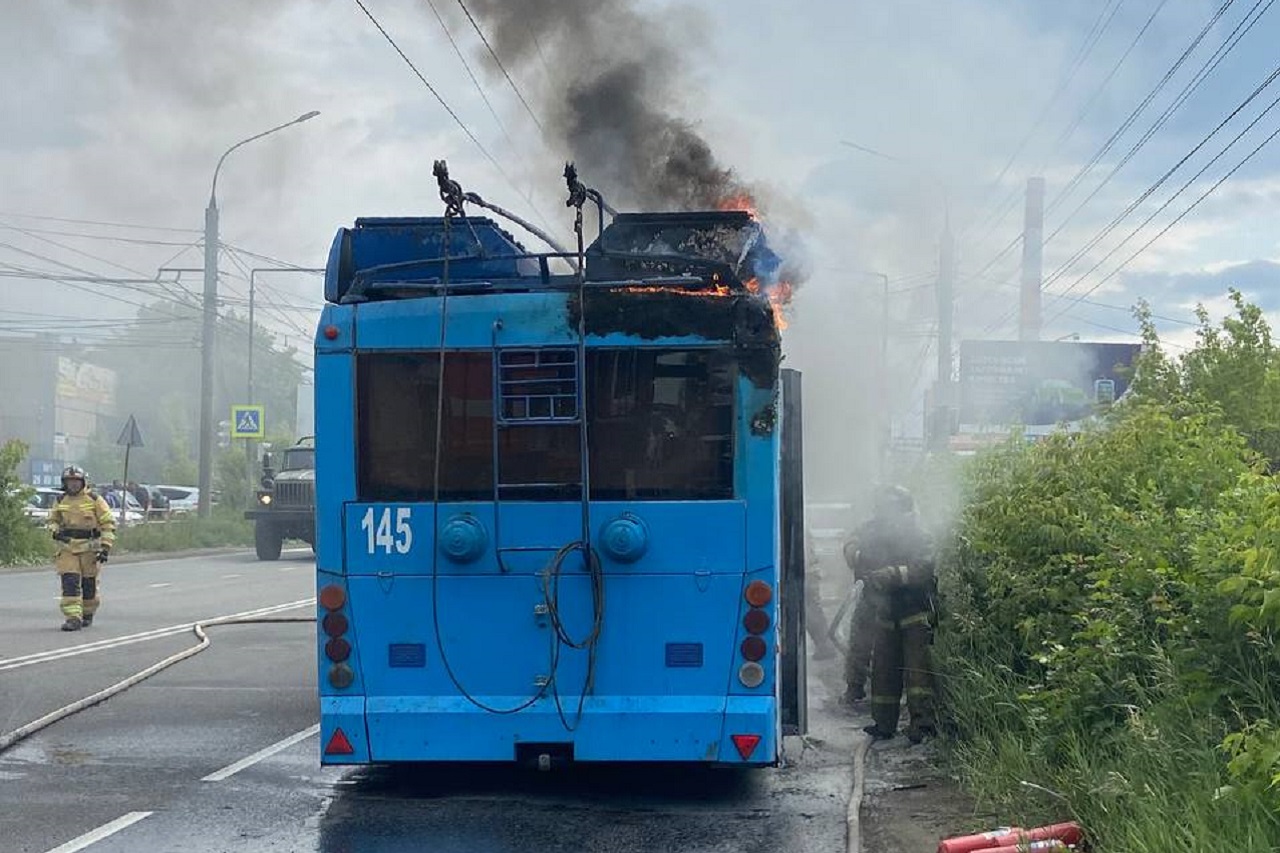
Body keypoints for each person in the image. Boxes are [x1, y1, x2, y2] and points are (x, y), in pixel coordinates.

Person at [851, 484, 937, 743]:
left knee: (917, 674)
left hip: (915, 613)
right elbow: (859, 550)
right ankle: (884, 724)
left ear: (904, 510)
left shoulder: (920, 535)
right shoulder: (874, 533)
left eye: (888, 509)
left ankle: (923, 725)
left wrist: (892, 575)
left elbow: (923, 569)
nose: (883, 515)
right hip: (886, 614)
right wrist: (859, 561)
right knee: (884, 672)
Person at [47, 466, 116, 631]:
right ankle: (73, 618)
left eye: (76, 482)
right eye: (70, 482)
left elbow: (108, 523)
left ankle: (87, 613)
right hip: (68, 548)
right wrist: (55, 531)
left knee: (88, 585)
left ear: (83, 482)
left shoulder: (94, 499)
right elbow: (52, 519)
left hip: (89, 549)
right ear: (65, 483)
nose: (73, 485)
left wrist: (105, 547)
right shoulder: (60, 500)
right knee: (69, 582)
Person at [804, 529, 839, 661]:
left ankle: (825, 646)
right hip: (808, 573)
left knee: (811, 611)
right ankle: (824, 645)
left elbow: (805, 556)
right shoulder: (804, 529)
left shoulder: (802, 531)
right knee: (812, 611)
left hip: (806, 574)